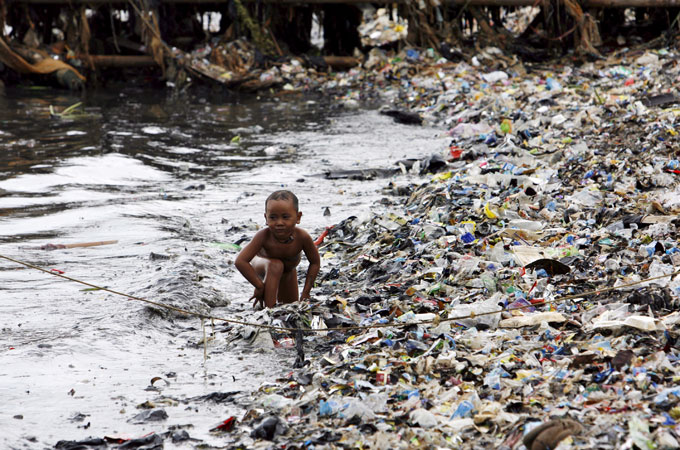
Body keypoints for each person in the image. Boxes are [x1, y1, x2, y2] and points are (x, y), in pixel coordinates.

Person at [235, 190, 321, 309]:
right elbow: (240, 261)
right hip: (262, 265)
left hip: (288, 270)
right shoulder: (263, 236)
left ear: (298, 217)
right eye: (273, 217)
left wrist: (306, 292)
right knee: (276, 265)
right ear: (266, 218)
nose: (279, 223)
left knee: (290, 307)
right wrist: (259, 286)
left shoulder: (302, 237)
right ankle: (268, 311)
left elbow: (315, 262)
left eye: (285, 217)